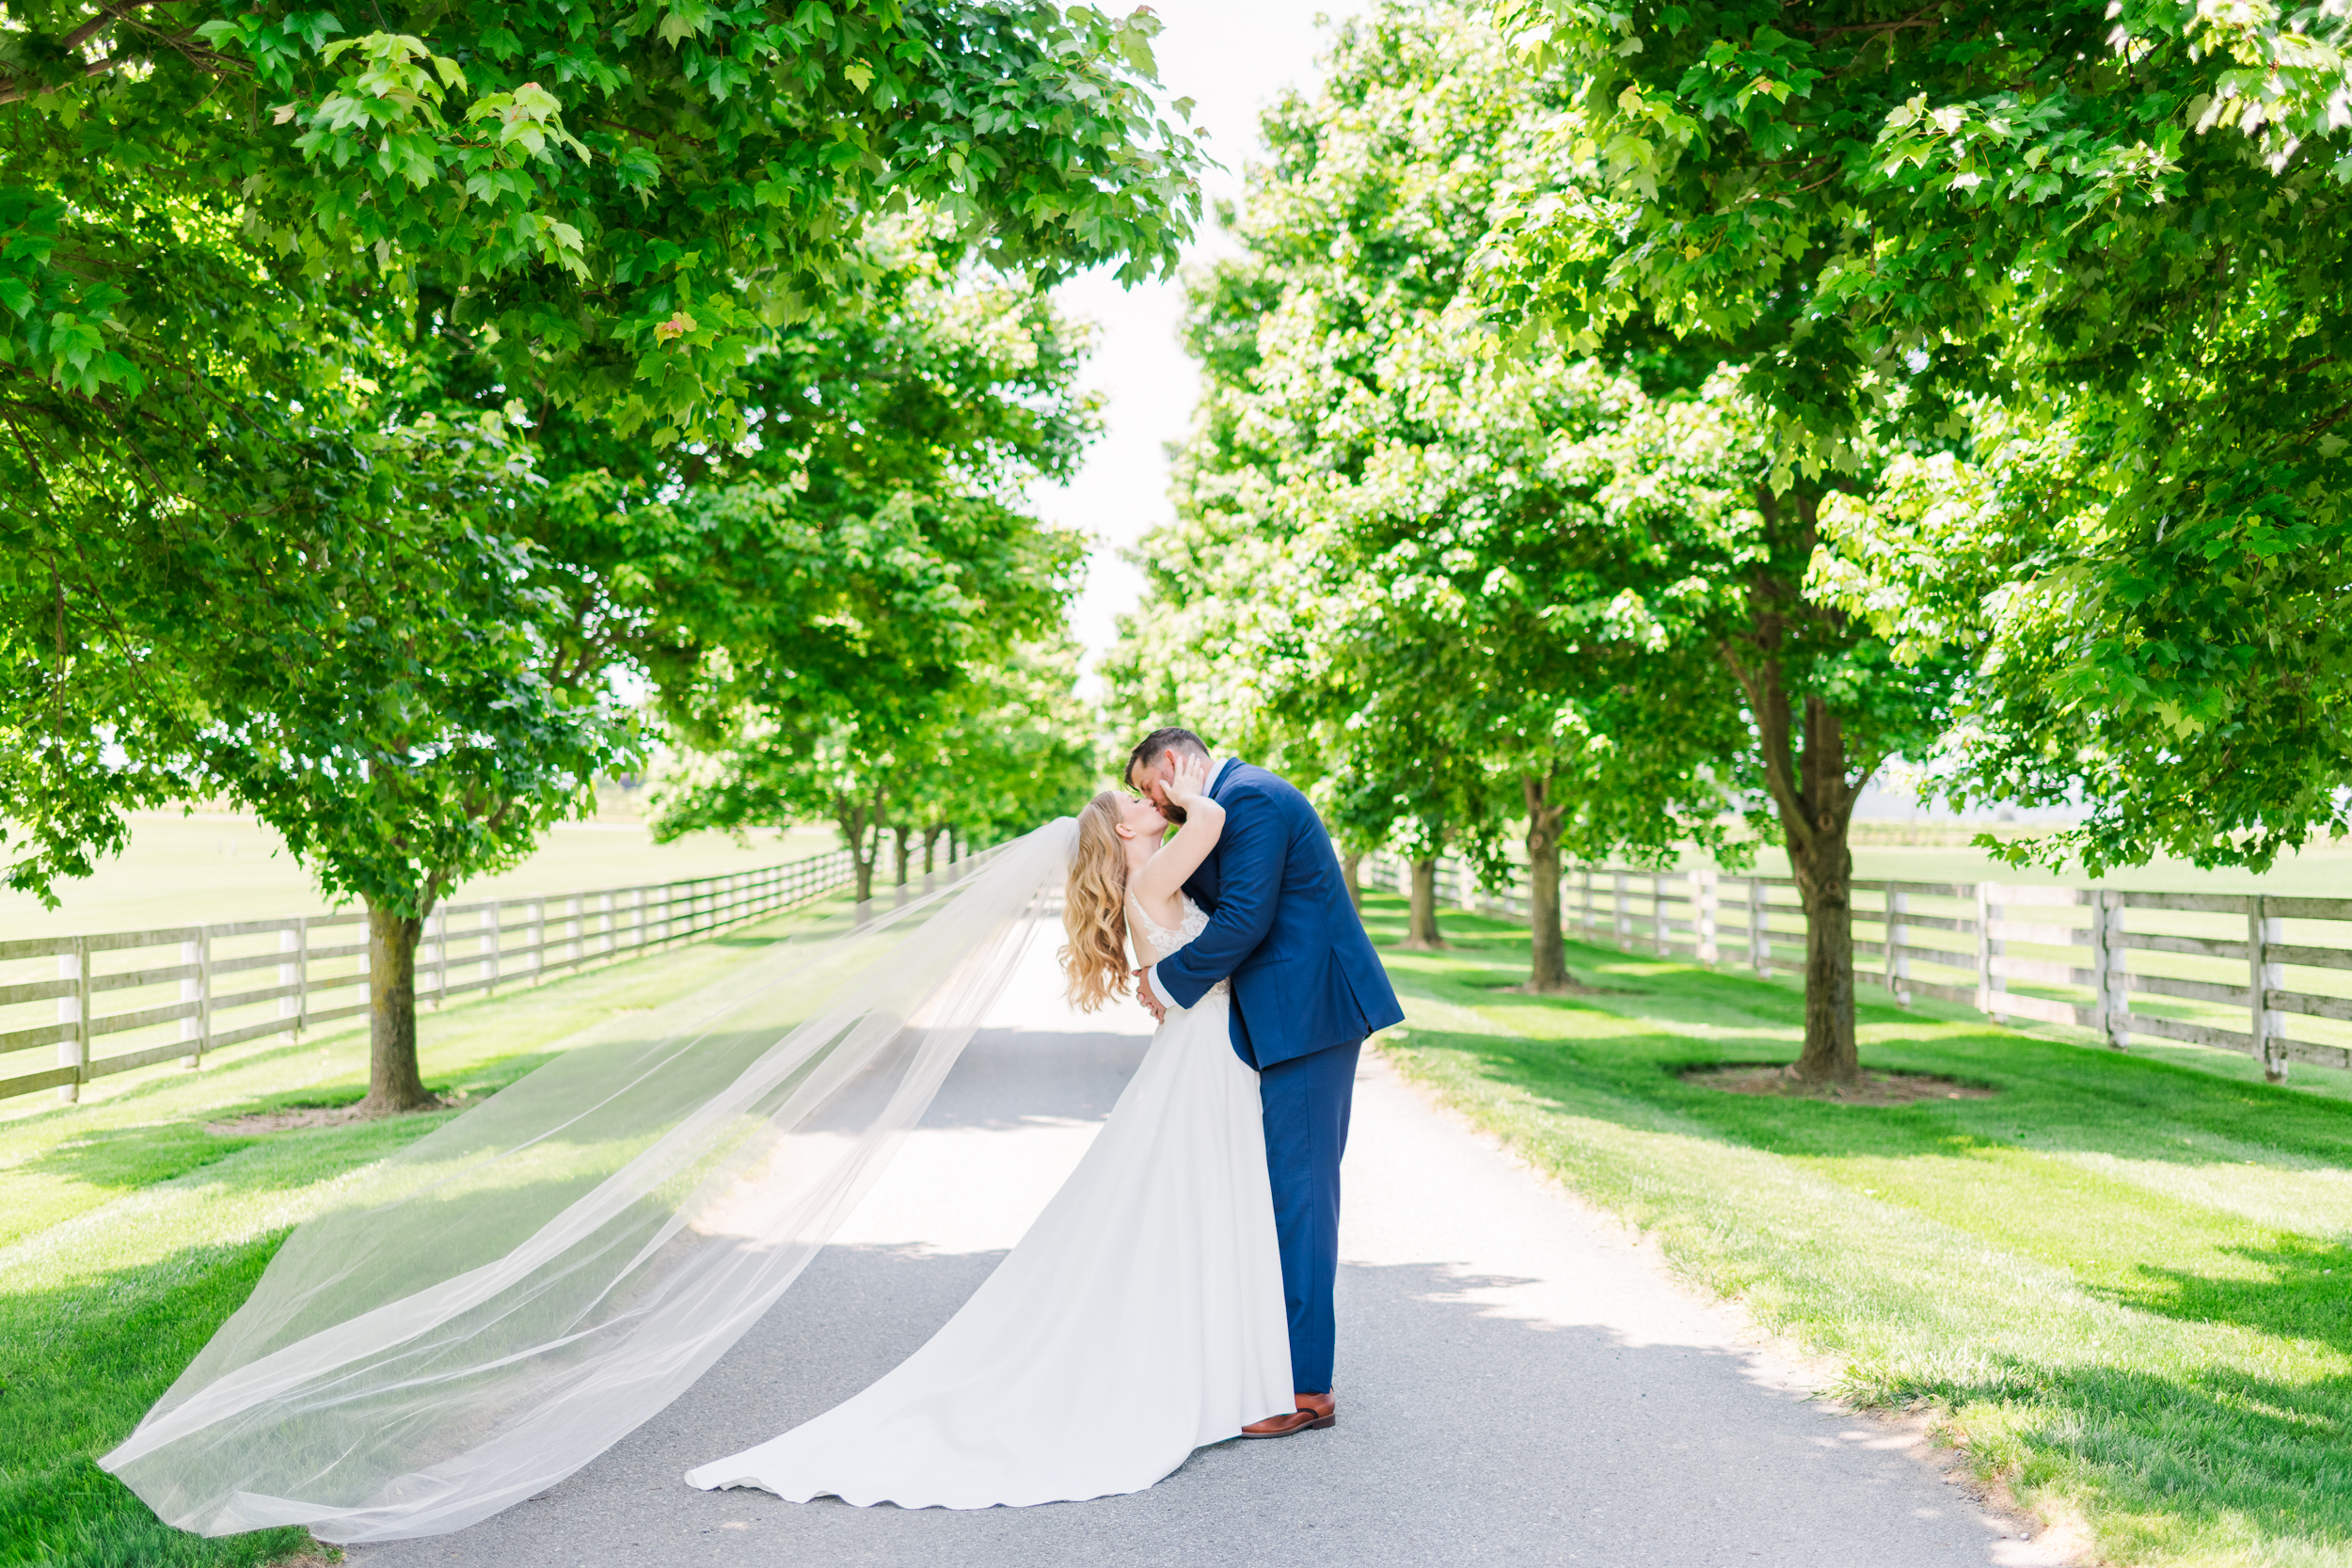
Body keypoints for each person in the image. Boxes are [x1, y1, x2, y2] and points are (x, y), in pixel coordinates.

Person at [684, 752, 1300, 1508]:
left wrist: (1159, 806)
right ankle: (1229, 1376)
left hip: (1198, 1052)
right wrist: (1178, 792)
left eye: (1145, 793)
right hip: (1202, 1058)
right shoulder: (1152, 873)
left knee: (1200, 1203)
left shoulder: (1150, 873)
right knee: (1207, 1200)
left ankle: (1225, 1372)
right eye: (1134, 800)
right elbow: (1211, 816)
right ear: (1123, 830)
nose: (1148, 800)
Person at [1126, 727, 1405, 1436]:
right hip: (1278, 1021)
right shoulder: (1220, 809)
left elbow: (1247, 919)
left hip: (1310, 1018)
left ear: (1172, 764)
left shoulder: (1249, 799)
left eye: (1148, 786)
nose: (1152, 801)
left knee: (1303, 1200)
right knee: (1280, 1197)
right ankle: (1272, 1364)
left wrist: (1166, 980)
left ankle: (1307, 1389)